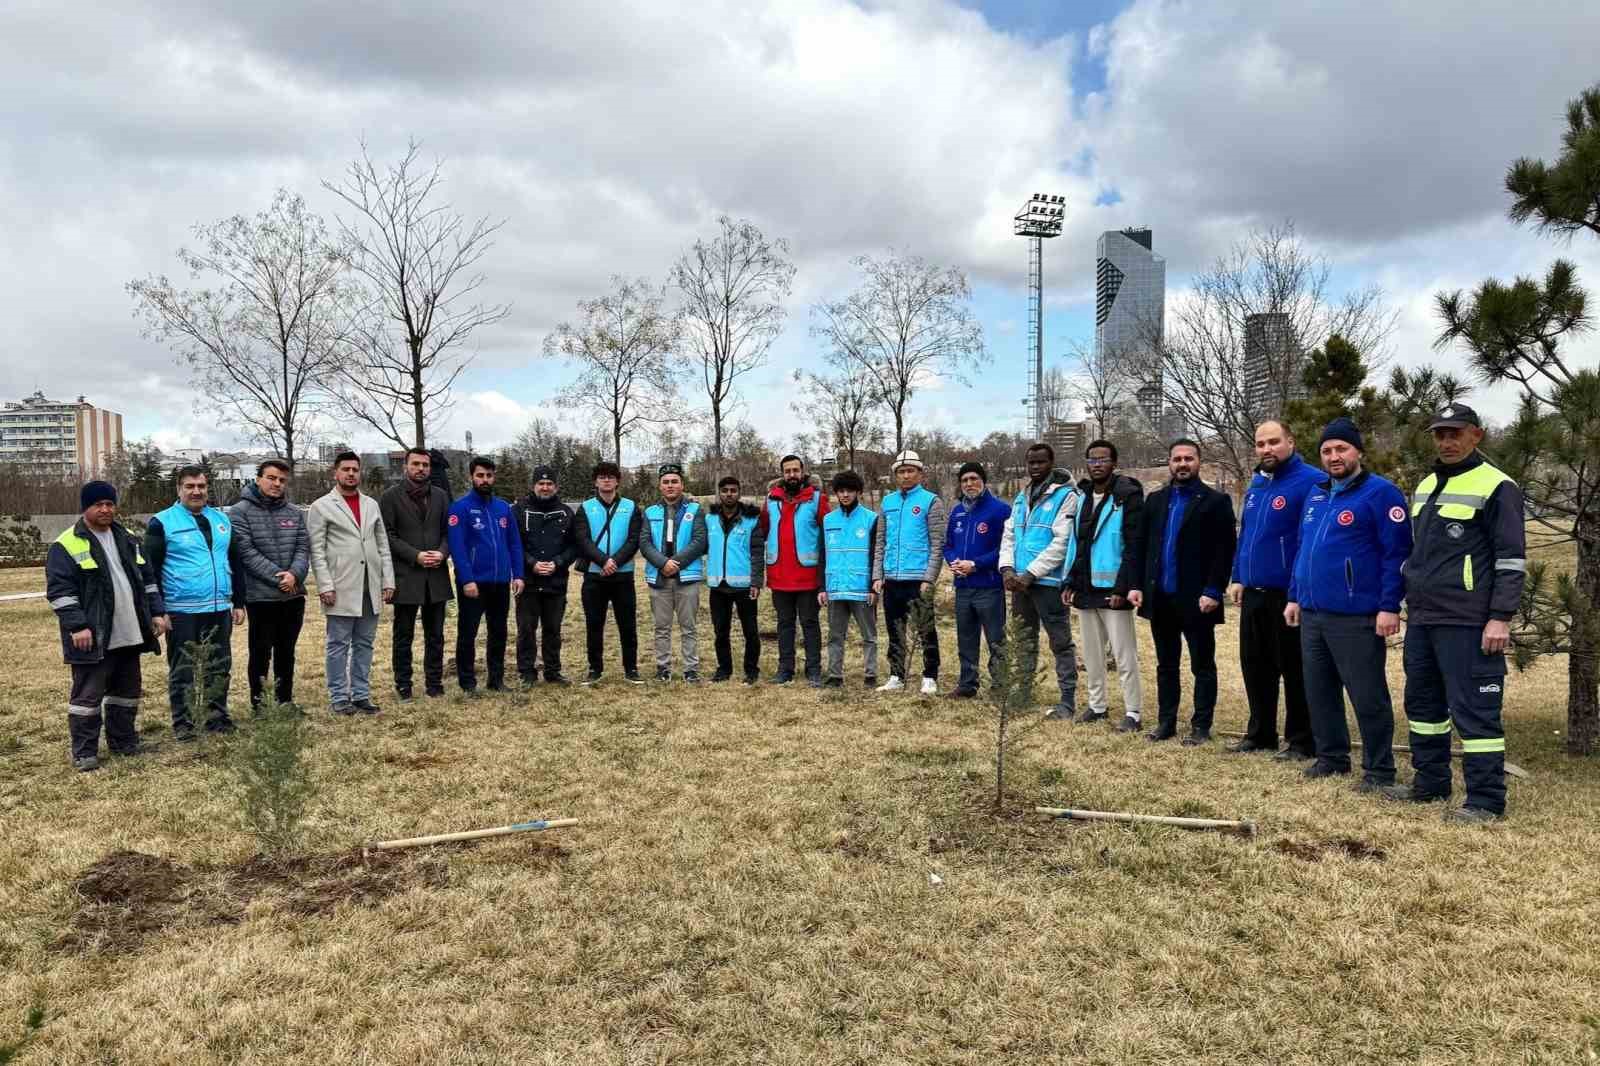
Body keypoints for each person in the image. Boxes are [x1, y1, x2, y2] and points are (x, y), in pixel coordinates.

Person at [1385, 403, 1524, 822]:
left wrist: (1500, 616)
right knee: (1423, 706)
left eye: (1455, 433)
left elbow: (1511, 559)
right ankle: (1430, 784)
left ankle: (1485, 800)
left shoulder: (1498, 486)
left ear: (1476, 435)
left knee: (1475, 712)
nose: (1447, 441)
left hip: (1469, 620)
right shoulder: (1426, 486)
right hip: (1424, 618)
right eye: (1440, 434)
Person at [1284, 418, 1412, 789]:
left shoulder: (1381, 494)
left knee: (1367, 695)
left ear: (1358, 452)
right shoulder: (1317, 494)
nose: (1334, 456)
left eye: (1341, 449)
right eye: (1327, 450)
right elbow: (1303, 549)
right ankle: (1332, 757)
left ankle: (1378, 770)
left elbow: (1397, 554)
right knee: (1320, 691)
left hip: (1356, 616)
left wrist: (1390, 605)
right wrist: (1294, 595)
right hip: (1312, 613)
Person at [48, 481, 168, 770]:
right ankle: (85, 752)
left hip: (130, 631)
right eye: (98, 504)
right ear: (85, 508)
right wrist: (78, 626)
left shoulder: (128, 538)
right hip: (94, 637)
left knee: (126, 694)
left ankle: (124, 741)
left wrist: (157, 612)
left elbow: (147, 580)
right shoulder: (66, 544)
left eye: (109, 504)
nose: (105, 509)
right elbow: (60, 592)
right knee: (87, 697)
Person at [1225, 421, 1322, 759]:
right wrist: (1238, 575)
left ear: (1291, 442)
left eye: (1274, 442)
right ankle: (1260, 733)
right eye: (1260, 443)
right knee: (1256, 666)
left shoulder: (1310, 481)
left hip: (1286, 595)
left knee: (1293, 669)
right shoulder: (1257, 484)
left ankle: (1301, 740)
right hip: (1254, 591)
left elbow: (1307, 542)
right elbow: (1247, 535)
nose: (1267, 449)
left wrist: (1296, 592)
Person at [1129, 439, 1236, 745]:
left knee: (1202, 665)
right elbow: (1140, 545)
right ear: (1170, 463)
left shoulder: (1216, 501)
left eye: (1189, 458)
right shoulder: (1156, 500)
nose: (1182, 464)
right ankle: (1166, 723)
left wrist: (1214, 590)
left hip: (1198, 599)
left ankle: (1201, 726)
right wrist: (1136, 584)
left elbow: (1224, 550)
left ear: (1198, 462)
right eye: (1177, 459)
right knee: (1166, 665)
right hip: (1161, 597)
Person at [147, 465, 245, 739]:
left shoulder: (221, 521)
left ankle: (217, 718)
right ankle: (185, 724)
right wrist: (158, 610)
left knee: (219, 666)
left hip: (218, 608)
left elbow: (235, 560)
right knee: (184, 670)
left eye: (201, 486)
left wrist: (239, 601)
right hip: (181, 610)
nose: (196, 491)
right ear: (178, 489)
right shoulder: (162, 522)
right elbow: (150, 570)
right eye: (190, 486)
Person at [1063, 440, 1144, 732]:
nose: (1097, 464)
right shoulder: (1082, 496)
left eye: (1103, 459)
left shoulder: (1127, 496)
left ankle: (1133, 711)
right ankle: (1097, 706)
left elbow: (1134, 546)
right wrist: (1070, 580)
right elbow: (1077, 543)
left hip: (1113, 589)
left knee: (1124, 655)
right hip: (1085, 588)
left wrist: (1124, 588)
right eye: (1092, 459)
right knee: (1093, 656)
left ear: (1114, 462)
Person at [308, 451, 396, 715]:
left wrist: (387, 579)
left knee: (365, 643)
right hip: (341, 585)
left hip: (370, 585)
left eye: (355, 470)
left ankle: (360, 694)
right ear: (335, 473)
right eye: (345, 469)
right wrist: (325, 585)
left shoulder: (371, 504)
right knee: (338, 644)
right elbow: (317, 549)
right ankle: (339, 697)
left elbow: (382, 545)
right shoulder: (322, 506)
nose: (350, 474)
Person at [999, 442, 1081, 719]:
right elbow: (1009, 534)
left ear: (1051, 462)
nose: (1035, 467)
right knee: (1024, 640)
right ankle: (1023, 691)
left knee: (1060, 642)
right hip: (1018, 584)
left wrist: (1031, 573)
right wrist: (1007, 569)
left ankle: (1067, 700)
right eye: (1031, 463)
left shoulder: (1066, 496)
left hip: (1046, 582)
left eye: (1040, 462)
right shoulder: (1022, 497)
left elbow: (1062, 542)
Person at [230, 458, 311, 712]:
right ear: (258, 479)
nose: (277, 484)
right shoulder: (239, 512)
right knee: (260, 653)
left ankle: (284, 701)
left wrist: (295, 576)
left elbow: (302, 547)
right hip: (261, 597)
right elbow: (246, 552)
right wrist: (280, 577)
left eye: (282, 480)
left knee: (286, 652)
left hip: (293, 596)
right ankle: (260, 705)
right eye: (272, 478)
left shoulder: (294, 513)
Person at [446, 456, 525, 694]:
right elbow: (457, 547)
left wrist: (518, 574)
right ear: (472, 477)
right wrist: (466, 579)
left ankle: (496, 679)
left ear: (494, 477)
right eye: (480, 475)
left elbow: (514, 544)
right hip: (473, 583)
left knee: (498, 632)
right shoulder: (460, 508)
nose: (485, 480)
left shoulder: (503, 508)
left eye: (489, 475)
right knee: (468, 633)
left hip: (500, 582)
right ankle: (467, 682)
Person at [379, 447, 453, 700]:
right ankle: (404, 684)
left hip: (436, 575)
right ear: (406, 466)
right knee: (404, 635)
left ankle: (434, 683)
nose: (421, 469)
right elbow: (387, 535)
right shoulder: (390, 497)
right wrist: (415, 555)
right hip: (407, 575)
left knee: (436, 634)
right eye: (416, 464)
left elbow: (449, 531)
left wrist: (442, 553)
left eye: (425, 465)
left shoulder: (441, 496)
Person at [873, 450, 946, 694]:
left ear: (920, 473)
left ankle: (930, 675)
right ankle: (896, 674)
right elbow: (881, 541)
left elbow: (937, 543)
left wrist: (929, 577)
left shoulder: (930, 501)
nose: (905, 476)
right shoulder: (888, 502)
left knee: (925, 628)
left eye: (910, 471)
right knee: (895, 628)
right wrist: (877, 575)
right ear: (895, 475)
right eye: (901, 472)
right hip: (892, 578)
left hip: (918, 579)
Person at [573, 460, 644, 684]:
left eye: (610, 477)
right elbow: (582, 540)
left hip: (623, 575)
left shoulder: (631, 507)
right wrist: (604, 561)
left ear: (617, 481)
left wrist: (615, 561)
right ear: (595, 481)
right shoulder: (586, 507)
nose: (606, 480)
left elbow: (634, 539)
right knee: (594, 624)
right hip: (595, 575)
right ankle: (595, 669)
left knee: (627, 624)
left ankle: (631, 669)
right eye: (602, 477)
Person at [943, 461, 1009, 699]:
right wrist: (953, 561)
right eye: (964, 480)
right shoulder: (957, 511)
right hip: (963, 587)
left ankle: (1000, 685)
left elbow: (1006, 548)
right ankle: (968, 684)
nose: (969, 484)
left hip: (989, 586)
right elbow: (948, 544)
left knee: (995, 638)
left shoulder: (1000, 510)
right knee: (966, 638)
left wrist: (976, 564)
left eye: (973, 479)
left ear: (983, 481)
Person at [762, 454, 829, 686]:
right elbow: (762, 529)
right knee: (784, 623)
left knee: (810, 623)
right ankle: (785, 669)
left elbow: (827, 536)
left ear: (803, 472)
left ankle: (814, 670)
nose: (791, 475)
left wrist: (824, 576)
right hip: (779, 574)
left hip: (808, 576)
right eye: (787, 471)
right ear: (782, 474)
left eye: (795, 470)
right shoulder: (771, 500)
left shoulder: (817, 499)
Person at [641, 464, 709, 682]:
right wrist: (663, 563)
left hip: (686, 576)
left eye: (674, 481)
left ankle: (691, 669)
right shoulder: (650, 512)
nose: (670, 486)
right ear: (660, 486)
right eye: (666, 482)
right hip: (659, 577)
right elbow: (644, 542)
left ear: (682, 485)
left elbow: (700, 541)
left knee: (688, 626)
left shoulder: (695, 510)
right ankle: (663, 667)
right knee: (661, 627)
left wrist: (675, 563)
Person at [512, 464, 577, 686]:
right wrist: (531, 563)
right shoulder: (519, 511)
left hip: (556, 581)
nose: (545, 487)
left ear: (556, 487)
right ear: (534, 485)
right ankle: (527, 673)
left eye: (550, 484)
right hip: (528, 582)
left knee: (553, 629)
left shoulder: (567, 512)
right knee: (526, 630)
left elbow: (573, 546)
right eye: (541, 483)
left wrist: (557, 563)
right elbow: (514, 544)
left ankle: (553, 671)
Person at [820, 470, 881, 688]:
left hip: (862, 588)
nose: (845, 495)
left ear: (858, 492)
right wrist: (822, 586)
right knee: (835, 636)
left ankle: (871, 674)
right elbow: (822, 554)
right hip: (835, 587)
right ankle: (835, 675)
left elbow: (876, 554)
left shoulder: (871, 519)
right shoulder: (827, 520)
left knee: (869, 635)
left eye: (849, 491)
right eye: (841, 491)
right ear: (836, 493)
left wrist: (874, 588)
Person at [705, 475, 766, 684]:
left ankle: (751, 670)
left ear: (739, 492)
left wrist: (757, 582)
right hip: (718, 585)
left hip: (744, 586)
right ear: (719, 493)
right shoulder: (709, 519)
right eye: (725, 490)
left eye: (733, 490)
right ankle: (724, 669)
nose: (729, 494)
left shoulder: (751, 520)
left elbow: (758, 552)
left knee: (750, 631)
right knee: (720, 631)